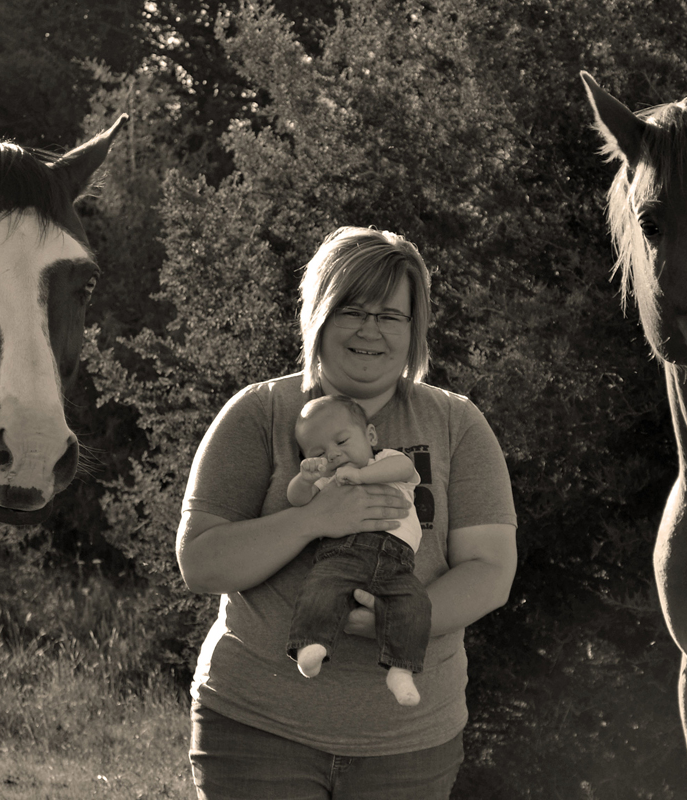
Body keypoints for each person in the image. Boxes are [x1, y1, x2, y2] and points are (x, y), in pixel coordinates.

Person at [177, 226, 518, 800]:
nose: (371, 330)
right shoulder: (259, 414)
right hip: (258, 733)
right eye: (351, 310)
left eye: (391, 316)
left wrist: (398, 620)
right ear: (317, 316)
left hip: (410, 745)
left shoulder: (456, 424)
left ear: (414, 331)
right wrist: (314, 519)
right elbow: (201, 562)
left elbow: (491, 571)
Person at [288, 394, 429, 707]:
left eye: (341, 441)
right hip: (344, 552)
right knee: (321, 586)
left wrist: (362, 476)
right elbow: (297, 500)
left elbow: (405, 466)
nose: (334, 455)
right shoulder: (329, 482)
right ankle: (311, 645)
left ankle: (400, 669)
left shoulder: (386, 461)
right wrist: (305, 478)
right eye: (319, 452)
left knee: (414, 604)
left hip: (398, 560)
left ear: (371, 436)